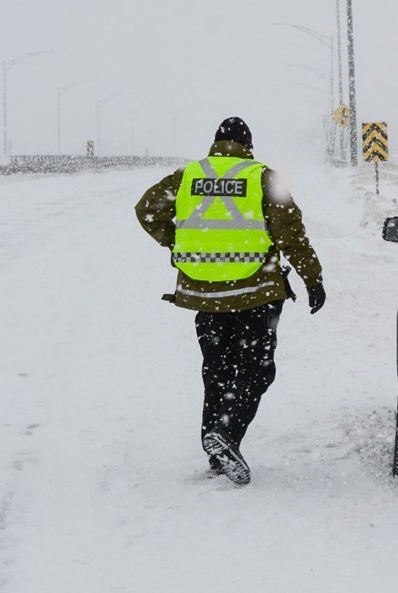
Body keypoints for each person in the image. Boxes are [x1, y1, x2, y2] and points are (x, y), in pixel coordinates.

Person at [135, 116, 325, 485]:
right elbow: (291, 235)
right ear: (248, 145)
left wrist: (177, 241)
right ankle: (227, 436)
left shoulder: (188, 176)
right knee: (257, 370)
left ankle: (217, 453)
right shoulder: (261, 177)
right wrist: (312, 279)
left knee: (217, 371)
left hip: (205, 294)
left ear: (216, 144)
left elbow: (147, 210)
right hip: (255, 294)